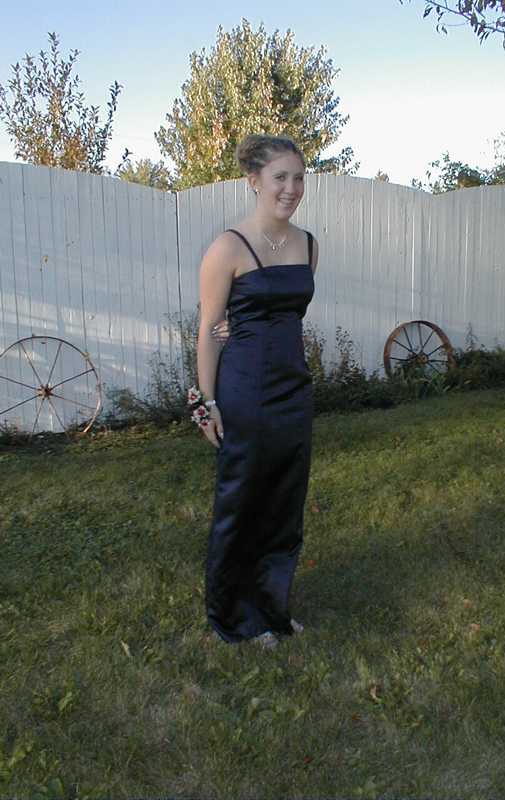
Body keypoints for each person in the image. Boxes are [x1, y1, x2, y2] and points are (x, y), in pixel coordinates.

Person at [194, 134, 319, 650]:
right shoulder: (228, 247)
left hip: (293, 390)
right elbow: (208, 331)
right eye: (280, 177)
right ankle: (233, 616)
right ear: (254, 181)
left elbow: (288, 317)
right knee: (242, 503)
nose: (291, 188)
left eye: (298, 178)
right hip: (243, 392)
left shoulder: (308, 245)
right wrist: (206, 404)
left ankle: (272, 608)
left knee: (284, 505)